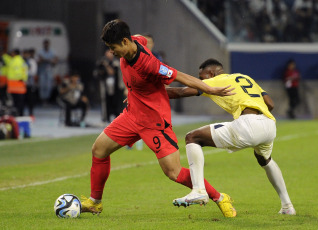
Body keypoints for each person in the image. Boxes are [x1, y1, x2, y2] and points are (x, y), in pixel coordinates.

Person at [81, 19, 236, 218]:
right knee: (99, 150)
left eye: (113, 48)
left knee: (174, 173)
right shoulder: (135, 41)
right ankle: (95, 202)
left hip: (154, 123)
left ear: (126, 42)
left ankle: (220, 197)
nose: (112, 52)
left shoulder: (150, 65)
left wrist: (211, 89)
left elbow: (181, 76)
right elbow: (146, 40)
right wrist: (148, 46)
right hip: (131, 116)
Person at [166, 58, 296, 215]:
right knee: (265, 160)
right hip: (269, 125)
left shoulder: (215, 80)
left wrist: (145, 93)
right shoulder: (244, 77)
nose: (200, 82)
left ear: (211, 73)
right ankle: (287, 206)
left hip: (248, 125)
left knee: (192, 137)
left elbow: (181, 92)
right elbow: (270, 103)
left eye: (201, 78)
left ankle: (199, 189)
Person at [94, 50, 125, 122]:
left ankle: (116, 116)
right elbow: (98, 72)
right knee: (105, 102)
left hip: (116, 86)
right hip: (105, 85)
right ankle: (106, 117)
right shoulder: (101, 61)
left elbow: (112, 72)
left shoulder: (116, 61)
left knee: (116, 101)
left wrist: (106, 65)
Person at [7, 49, 28, 116]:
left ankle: (17, 114)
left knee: (16, 102)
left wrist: (22, 79)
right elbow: (25, 70)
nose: (11, 54)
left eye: (12, 52)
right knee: (19, 101)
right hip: (18, 84)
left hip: (16, 84)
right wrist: (24, 79)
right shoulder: (21, 61)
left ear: (15, 53)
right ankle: (20, 114)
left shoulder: (13, 61)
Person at [37, 39, 58, 105]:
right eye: (45, 44)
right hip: (42, 71)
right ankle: (42, 99)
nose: (46, 45)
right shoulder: (40, 51)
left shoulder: (52, 51)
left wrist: (47, 60)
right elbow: (39, 61)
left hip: (49, 71)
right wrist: (45, 60)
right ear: (43, 44)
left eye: (47, 44)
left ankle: (47, 99)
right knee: (42, 85)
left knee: (48, 86)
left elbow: (55, 60)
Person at [23, 49, 38, 119]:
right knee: (22, 100)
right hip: (23, 84)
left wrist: (27, 72)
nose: (25, 55)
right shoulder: (22, 61)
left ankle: (31, 113)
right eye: (24, 54)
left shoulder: (32, 61)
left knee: (30, 100)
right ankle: (21, 114)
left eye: (27, 54)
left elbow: (33, 72)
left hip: (30, 84)